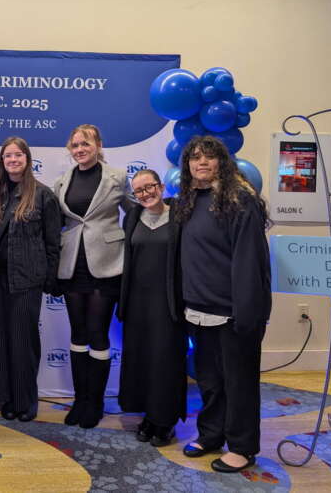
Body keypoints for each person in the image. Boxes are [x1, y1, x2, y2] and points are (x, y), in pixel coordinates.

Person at [176, 135, 271, 473]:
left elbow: (250, 263)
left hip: (233, 312)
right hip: (198, 310)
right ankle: (211, 434)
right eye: (195, 157)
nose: (201, 162)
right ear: (187, 165)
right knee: (210, 381)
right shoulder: (189, 201)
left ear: (222, 162)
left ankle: (242, 447)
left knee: (239, 383)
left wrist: (247, 313)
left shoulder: (241, 201)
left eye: (209, 157)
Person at [53, 124, 132, 429]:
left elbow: (135, 213)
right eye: (75, 145)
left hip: (107, 265)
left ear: (98, 145)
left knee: (98, 333)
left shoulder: (118, 177)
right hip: (72, 265)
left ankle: (95, 403)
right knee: (78, 334)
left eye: (85, 144)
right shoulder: (62, 182)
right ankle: (80, 400)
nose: (80, 150)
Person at [0, 136, 61, 422]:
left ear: (27, 160)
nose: (13, 160)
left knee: (23, 343)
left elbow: (53, 243)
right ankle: (6, 397)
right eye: (8, 156)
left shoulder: (43, 195)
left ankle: (25, 401)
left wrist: (49, 280)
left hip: (27, 281)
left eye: (18, 155)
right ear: (2, 161)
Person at [117, 169, 187, 446]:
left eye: (149, 187)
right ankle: (149, 415)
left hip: (168, 302)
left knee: (165, 360)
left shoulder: (180, 215)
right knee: (142, 359)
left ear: (161, 186)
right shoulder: (133, 216)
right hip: (137, 302)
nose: (145, 194)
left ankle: (165, 420)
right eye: (139, 190)